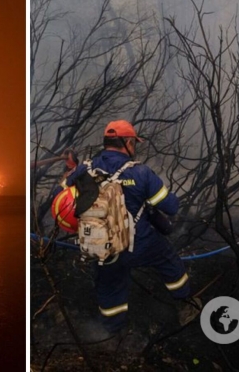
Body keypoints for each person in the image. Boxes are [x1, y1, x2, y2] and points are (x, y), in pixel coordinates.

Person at [56, 119, 200, 333]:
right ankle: (186, 304)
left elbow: (62, 199)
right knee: (168, 257)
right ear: (128, 142)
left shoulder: (85, 169)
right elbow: (171, 206)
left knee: (109, 287)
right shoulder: (140, 172)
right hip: (139, 245)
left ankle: (111, 335)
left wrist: (70, 168)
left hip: (101, 245)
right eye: (134, 142)